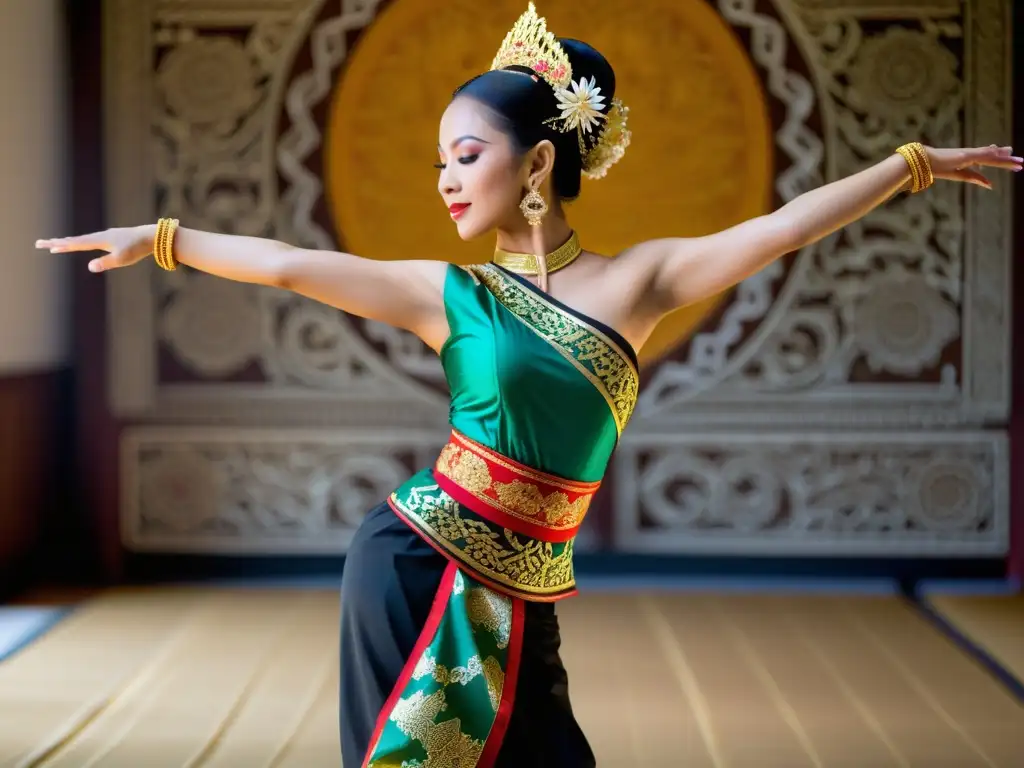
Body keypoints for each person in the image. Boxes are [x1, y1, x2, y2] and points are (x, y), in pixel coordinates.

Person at [38, 3, 1020, 766]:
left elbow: (783, 229)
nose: (446, 181)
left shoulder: (639, 283)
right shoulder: (446, 293)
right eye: (438, 163)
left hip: (526, 583)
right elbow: (291, 263)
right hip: (414, 564)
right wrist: (160, 240)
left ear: (540, 162)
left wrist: (909, 166)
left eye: (466, 156)